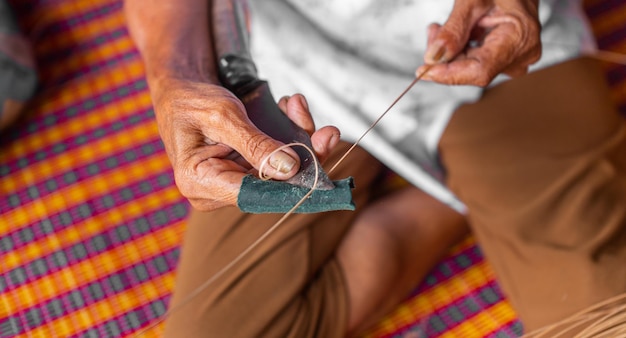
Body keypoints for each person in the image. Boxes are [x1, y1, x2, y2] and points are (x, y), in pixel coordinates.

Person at [124, 0, 626, 337]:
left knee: (601, 320)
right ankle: (461, 194)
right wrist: (179, 77)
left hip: (492, 40)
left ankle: (476, 182)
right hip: (298, 68)